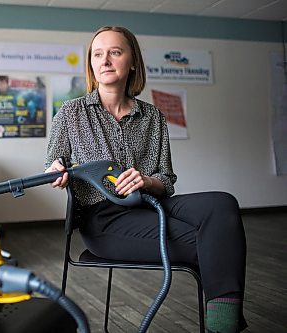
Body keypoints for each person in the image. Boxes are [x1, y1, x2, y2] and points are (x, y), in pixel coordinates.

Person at [45, 26, 247, 333]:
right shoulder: (71, 113)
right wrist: (56, 171)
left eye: (115, 52)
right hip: (104, 221)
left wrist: (145, 181)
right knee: (213, 241)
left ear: (132, 61)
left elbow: (166, 180)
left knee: (222, 203)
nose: (105, 60)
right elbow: (53, 164)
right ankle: (224, 326)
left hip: (151, 204)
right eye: (97, 54)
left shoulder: (152, 116)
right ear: (90, 64)